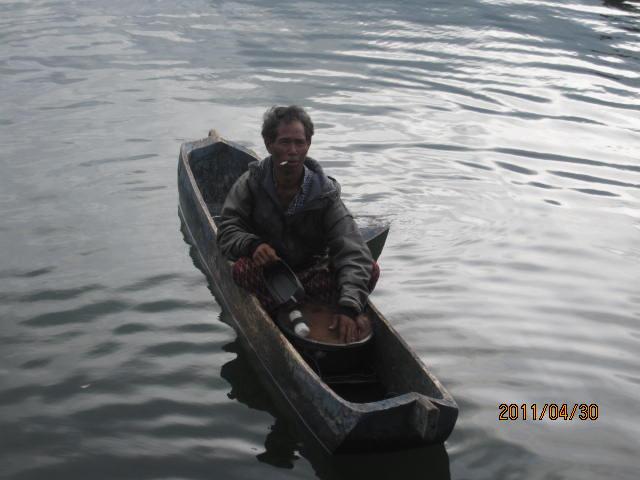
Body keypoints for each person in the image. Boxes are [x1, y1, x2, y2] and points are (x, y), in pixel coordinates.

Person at [217, 106, 379, 343]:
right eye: (284, 142)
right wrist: (253, 245)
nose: (292, 151)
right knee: (241, 270)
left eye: (299, 143)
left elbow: (353, 249)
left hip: (312, 276)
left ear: (308, 145)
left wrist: (349, 307)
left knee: (370, 270)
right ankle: (298, 311)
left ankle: (300, 311)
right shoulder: (251, 183)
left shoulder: (324, 193)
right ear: (269, 143)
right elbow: (227, 230)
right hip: (272, 276)